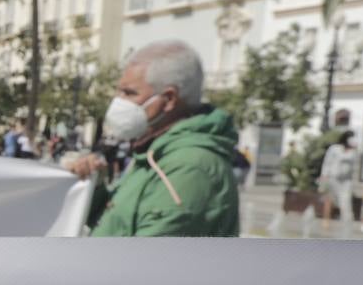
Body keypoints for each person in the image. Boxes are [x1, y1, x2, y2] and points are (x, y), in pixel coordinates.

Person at [68, 40, 239, 237]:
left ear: (169, 99)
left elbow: (148, 259)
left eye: (129, 93)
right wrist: (95, 187)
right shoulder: (154, 154)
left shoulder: (189, 167)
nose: (118, 100)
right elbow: (116, 224)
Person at [318, 112, 357, 234]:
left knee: (345, 202)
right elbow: (327, 163)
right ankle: (326, 220)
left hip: (346, 181)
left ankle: (346, 224)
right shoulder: (335, 149)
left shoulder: (353, 151)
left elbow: (355, 167)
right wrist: (324, 177)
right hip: (333, 178)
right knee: (329, 200)